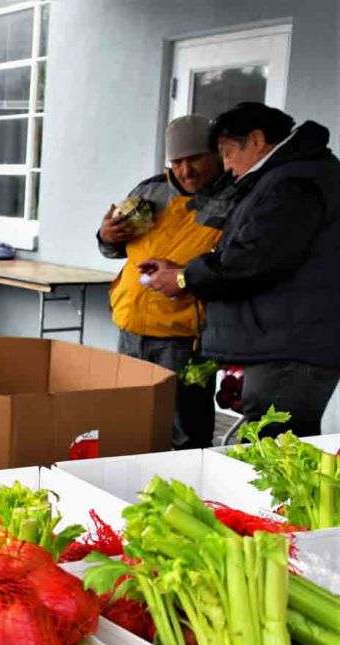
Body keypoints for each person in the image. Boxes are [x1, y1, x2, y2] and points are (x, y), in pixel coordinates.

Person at [142, 102, 340, 437]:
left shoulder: (293, 183)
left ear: (257, 140)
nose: (227, 165)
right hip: (285, 341)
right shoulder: (291, 175)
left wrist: (182, 277)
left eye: (228, 152)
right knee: (274, 449)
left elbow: (253, 260)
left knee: (276, 454)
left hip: (290, 347)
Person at [98, 115, 224, 449]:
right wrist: (106, 236)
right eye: (178, 162)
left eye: (196, 159)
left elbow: (238, 268)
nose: (186, 170)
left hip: (185, 340)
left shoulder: (233, 201)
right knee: (129, 423)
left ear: (217, 154)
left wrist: (183, 274)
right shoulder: (149, 190)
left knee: (184, 433)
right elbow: (114, 249)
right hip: (131, 328)